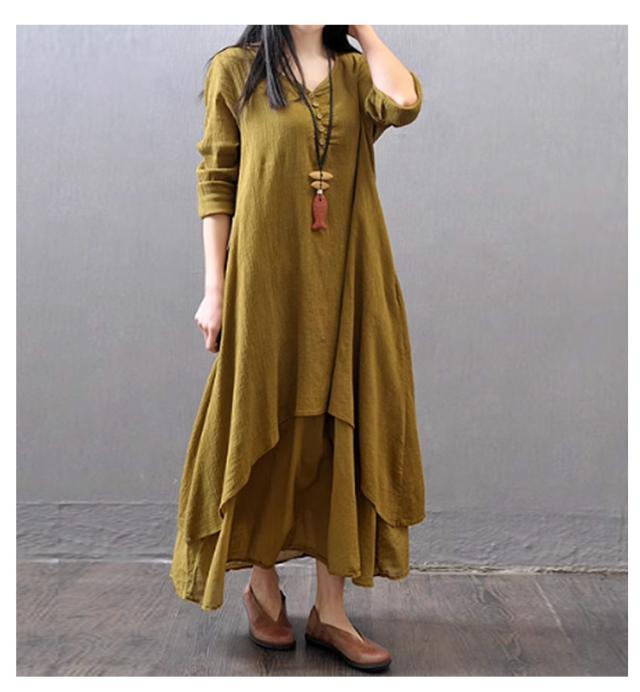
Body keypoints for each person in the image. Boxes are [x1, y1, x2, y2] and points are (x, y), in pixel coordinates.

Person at [169, 24, 427, 673]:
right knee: (266, 422)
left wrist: (362, 29)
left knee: (339, 431)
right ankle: (263, 590)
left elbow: (405, 102)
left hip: (348, 274)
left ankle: (331, 612)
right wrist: (214, 290)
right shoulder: (236, 70)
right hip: (267, 279)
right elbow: (217, 178)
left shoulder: (355, 72)